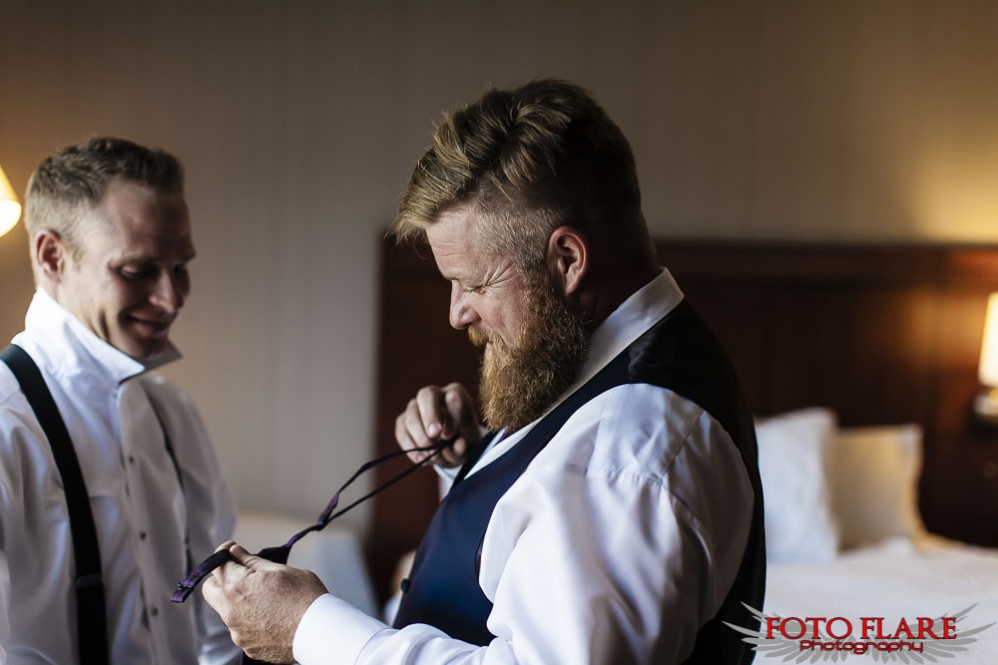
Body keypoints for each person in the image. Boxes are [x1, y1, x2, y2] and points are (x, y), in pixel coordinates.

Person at [203, 79, 766, 664]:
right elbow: (549, 528)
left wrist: (310, 630)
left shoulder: (621, 453)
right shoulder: (604, 361)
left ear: (567, 261)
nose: (455, 314)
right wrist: (472, 463)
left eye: (474, 283)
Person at [0, 137, 240, 664]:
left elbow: (219, 622)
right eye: (137, 271)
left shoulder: (175, 415)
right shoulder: (5, 425)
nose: (171, 298)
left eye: (180, 268)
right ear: (52, 257)